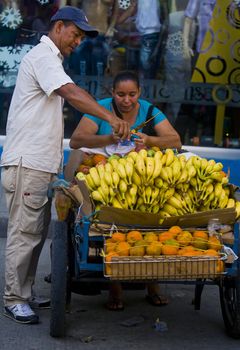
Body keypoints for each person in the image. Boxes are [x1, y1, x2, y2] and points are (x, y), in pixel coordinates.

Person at [0, 5, 130, 325]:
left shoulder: (52, 60)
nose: (77, 42)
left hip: (39, 164)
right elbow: (71, 92)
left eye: (81, 38)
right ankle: (14, 298)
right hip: (27, 163)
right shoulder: (43, 57)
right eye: (75, 34)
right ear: (58, 27)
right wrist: (110, 117)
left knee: (35, 232)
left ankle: (24, 294)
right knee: (25, 233)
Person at [69, 70, 182, 310]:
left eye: (132, 94)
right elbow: (76, 140)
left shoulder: (150, 111)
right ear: (113, 93)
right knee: (114, 224)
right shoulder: (100, 108)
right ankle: (115, 289)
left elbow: (175, 141)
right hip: (105, 177)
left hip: (143, 177)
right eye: (121, 94)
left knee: (151, 223)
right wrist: (109, 139)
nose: (126, 100)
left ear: (139, 93)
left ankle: (153, 285)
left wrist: (149, 141)